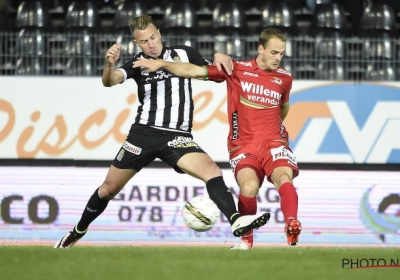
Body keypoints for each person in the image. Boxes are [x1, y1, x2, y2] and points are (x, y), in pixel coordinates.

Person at [54, 15, 270, 249]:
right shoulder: (137, 62)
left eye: (153, 37)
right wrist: (109, 65)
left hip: (178, 137)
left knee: (212, 170)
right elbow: (110, 81)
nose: (151, 44)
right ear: (137, 44)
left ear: (160, 32)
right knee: (108, 189)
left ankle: (236, 221)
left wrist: (218, 56)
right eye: (144, 41)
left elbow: (214, 74)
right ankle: (77, 231)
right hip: (143, 134)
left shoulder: (184, 54)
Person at [132, 27, 302, 250]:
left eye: (281, 53)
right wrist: (162, 64)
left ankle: (292, 224)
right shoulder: (236, 69)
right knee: (249, 187)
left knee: (284, 178)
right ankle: (246, 241)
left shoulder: (285, 77)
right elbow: (192, 71)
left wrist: (272, 130)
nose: (278, 58)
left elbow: (284, 108)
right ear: (260, 49)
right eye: (274, 53)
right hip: (243, 145)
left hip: (274, 143)